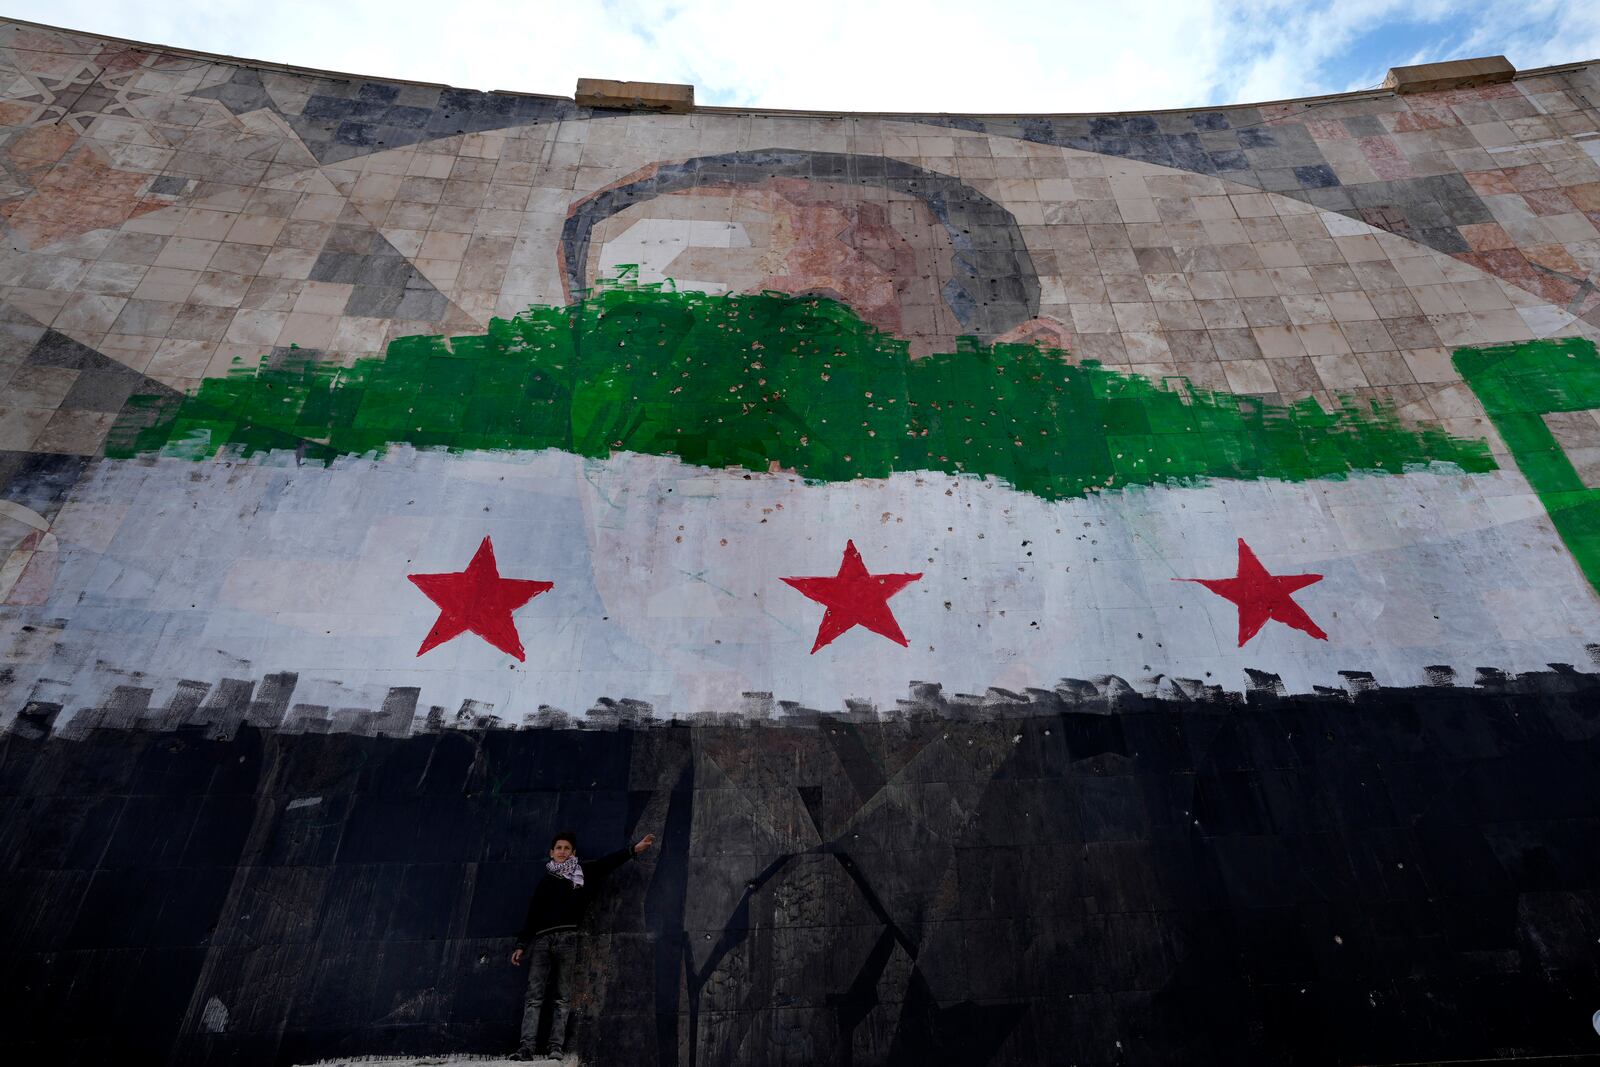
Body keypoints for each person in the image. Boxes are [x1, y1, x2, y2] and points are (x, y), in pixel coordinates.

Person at [508, 830, 656, 1061]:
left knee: (562, 996)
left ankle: (555, 1048)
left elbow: (606, 864)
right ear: (551, 852)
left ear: (573, 853)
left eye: (567, 849)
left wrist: (633, 850)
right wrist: (521, 944)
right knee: (534, 997)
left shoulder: (580, 874)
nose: (562, 852)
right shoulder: (544, 883)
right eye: (559, 848)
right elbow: (533, 915)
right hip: (542, 941)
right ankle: (525, 1047)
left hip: (567, 938)